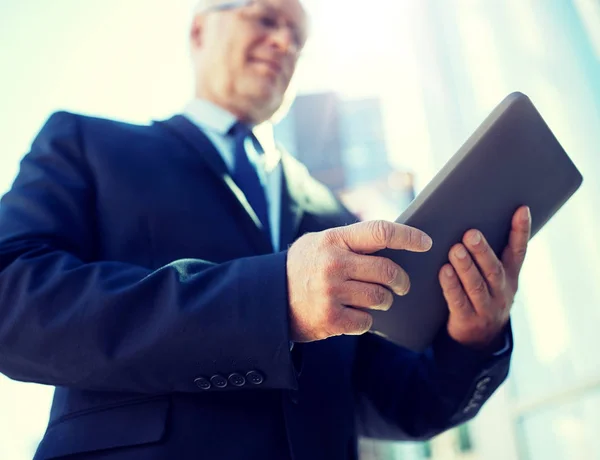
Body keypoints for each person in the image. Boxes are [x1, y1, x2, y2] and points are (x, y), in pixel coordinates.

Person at [0, 0, 531, 459]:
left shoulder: (337, 218)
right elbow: (12, 298)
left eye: (298, 37)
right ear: (199, 30)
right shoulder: (86, 144)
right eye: (266, 18)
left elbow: (398, 404)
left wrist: (472, 339)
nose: (283, 42)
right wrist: (273, 298)